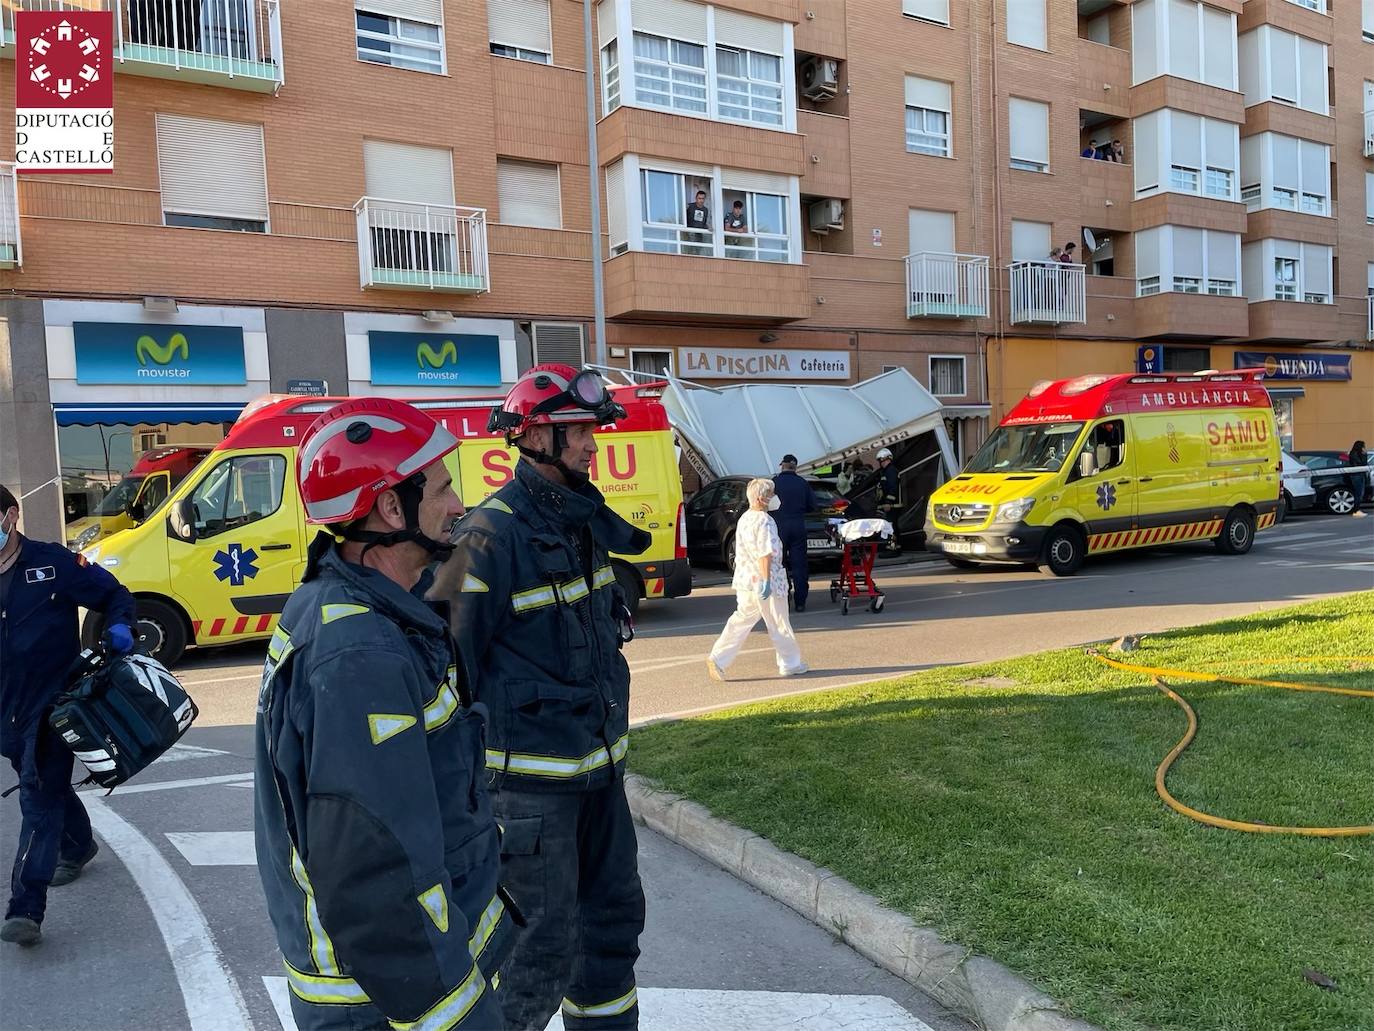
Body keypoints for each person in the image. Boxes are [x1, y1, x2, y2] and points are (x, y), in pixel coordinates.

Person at [254, 399, 511, 1031]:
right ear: (390, 507)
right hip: (389, 995)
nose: (458, 505)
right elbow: (378, 863)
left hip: (407, 972)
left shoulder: (361, 606)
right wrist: (457, 1013)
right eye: (444, 489)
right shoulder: (359, 655)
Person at [435, 364, 652, 1031]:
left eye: (591, 429)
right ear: (532, 436)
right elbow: (448, 674)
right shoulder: (487, 538)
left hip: (600, 782)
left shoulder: (581, 520)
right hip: (527, 797)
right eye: (577, 431)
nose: (593, 445)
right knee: (535, 952)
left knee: (611, 932)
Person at [0, 484, 137, 948]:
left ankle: (24, 909)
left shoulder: (53, 562)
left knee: (38, 798)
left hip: (54, 707)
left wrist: (119, 624)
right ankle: (78, 844)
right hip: (5, 713)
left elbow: (114, 594)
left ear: (11, 516)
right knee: (43, 784)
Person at [706, 479, 807, 681]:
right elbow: (765, 553)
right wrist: (766, 580)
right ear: (762, 499)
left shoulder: (745, 518)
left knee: (741, 619)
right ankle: (790, 663)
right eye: (771, 494)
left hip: (746, 579)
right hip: (765, 578)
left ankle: (718, 657)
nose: (775, 497)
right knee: (779, 623)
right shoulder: (764, 520)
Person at [772, 454, 817, 612]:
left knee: (779, 564)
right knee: (799, 565)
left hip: (779, 528)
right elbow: (812, 506)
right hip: (798, 525)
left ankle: (784, 595)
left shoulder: (774, 483)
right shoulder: (802, 483)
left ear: (782, 465)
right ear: (795, 467)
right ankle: (800, 602)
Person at [876, 448, 900, 517]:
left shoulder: (891, 471)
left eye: (881, 460)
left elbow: (893, 487)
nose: (880, 463)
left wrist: (888, 502)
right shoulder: (885, 472)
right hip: (886, 506)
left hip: (891, 507)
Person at [1349, 439, 1368, 514]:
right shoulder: (1354, 454)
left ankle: (1357, 509)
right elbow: (1362, 463)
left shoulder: (1357, 453)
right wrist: (1364, 454)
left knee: (1361, 493)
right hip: (1356, 475)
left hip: (1361, 474)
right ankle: (1356, 510)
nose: (1364, 447)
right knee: (1358, 493)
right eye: (1363, 446)